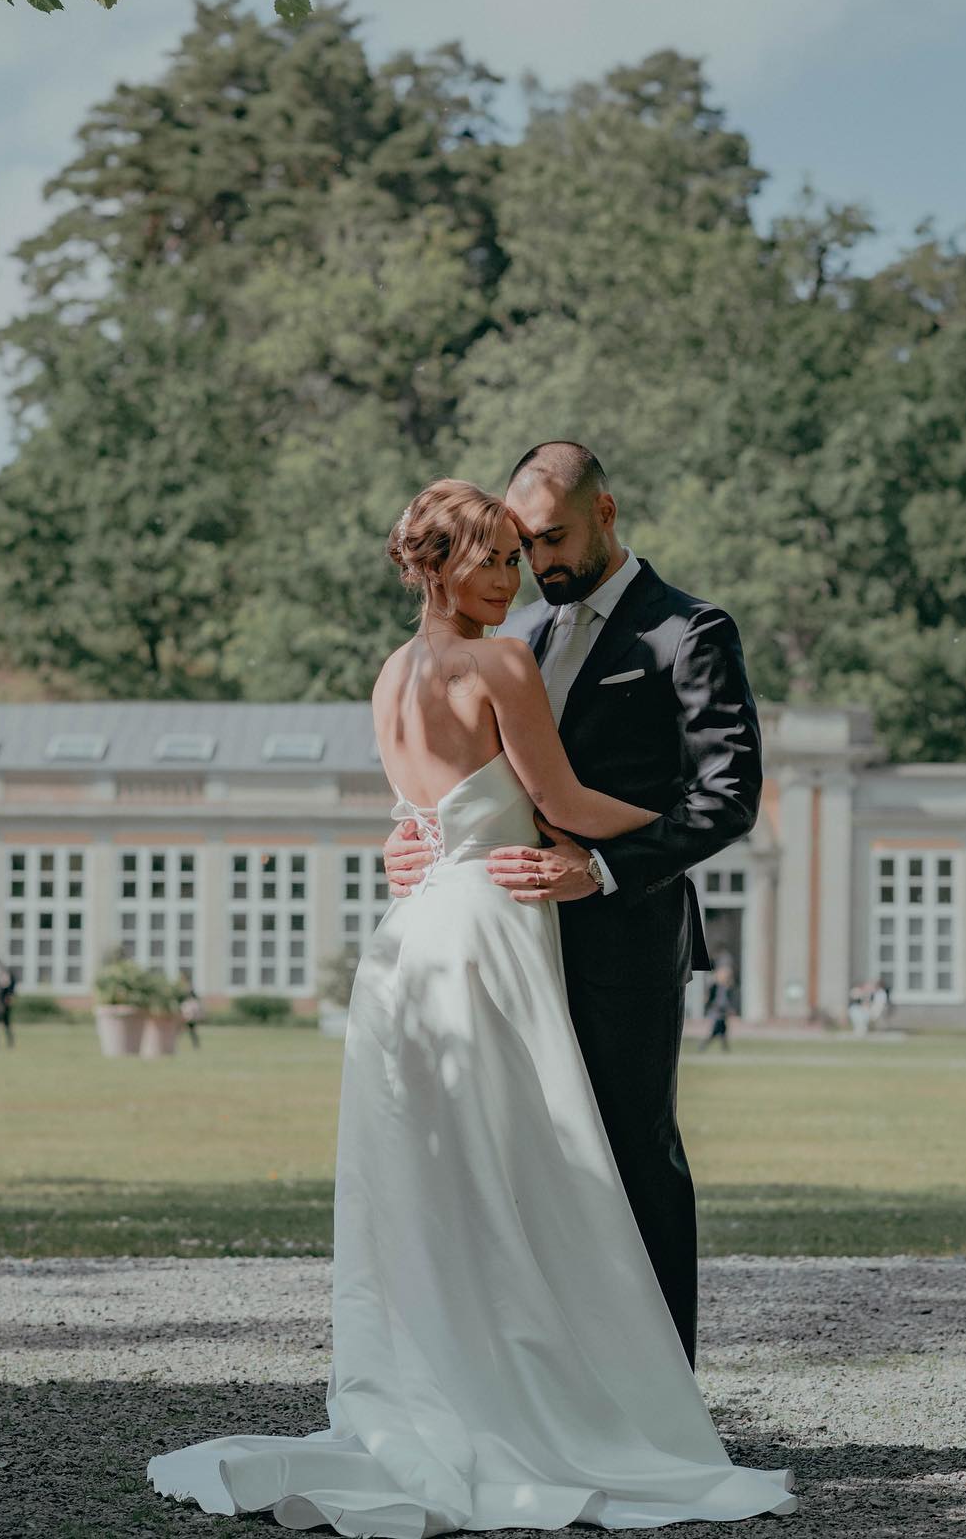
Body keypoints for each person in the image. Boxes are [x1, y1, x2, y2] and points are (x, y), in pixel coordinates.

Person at [147, 474, 795, 1532]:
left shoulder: (389, 675)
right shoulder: (504, 657)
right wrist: (675, 821)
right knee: (536, 1173)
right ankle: (555, 1406)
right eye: (496, 556)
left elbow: (424, 812)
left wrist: (424, 840)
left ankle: (446, 1390)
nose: (517, 576)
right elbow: (568, 805)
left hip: (410, 946)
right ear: (440, 564)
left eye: (522, 553)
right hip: (491, 933)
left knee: (432, 1184)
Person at [385, 441, 762, 1369]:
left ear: (606, 512)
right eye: (519, 547)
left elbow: (730, 797)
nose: (537, 566)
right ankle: (560, 1384)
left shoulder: (688, 631)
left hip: (627, 937)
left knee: (635, 1160)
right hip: (512, 941)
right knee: (530, 1174)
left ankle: (666, 1393)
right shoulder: (520, 641)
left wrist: (603, 867)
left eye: (550, 541)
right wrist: (416, 837)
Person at [700, 960, 736, 1052]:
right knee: (717, 1029)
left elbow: (728, 1000)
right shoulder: (715, 986)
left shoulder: (727, 987)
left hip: (723, 1011)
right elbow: (710, 998)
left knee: (722, 1029)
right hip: (717, 1010)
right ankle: (723, 1048)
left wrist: (730, 1009)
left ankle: (724, 1048)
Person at [177, 971, 202, 1049]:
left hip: (188, 1011)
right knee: (180, 1028)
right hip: (184, 1010)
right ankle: (175, 1044)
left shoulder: (189, 988)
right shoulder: (182, 987)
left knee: (191, 1029)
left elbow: (194, 998)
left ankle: (196, 1045)